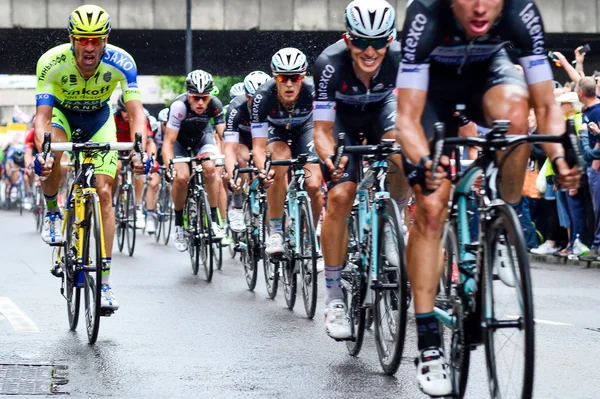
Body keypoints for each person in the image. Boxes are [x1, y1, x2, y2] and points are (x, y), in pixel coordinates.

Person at [395, 1, 581, 396]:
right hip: (432, 95)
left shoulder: (521, 12)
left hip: (487, 78)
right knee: (429, 206)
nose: (480, 7)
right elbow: (407, 119)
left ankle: (501, 222)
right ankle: (429, 346)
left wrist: (560, 156)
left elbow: (547, 105)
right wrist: (426, 162)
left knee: (516, 116)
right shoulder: (424, 15)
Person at [33, 5, 149, 311]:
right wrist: (43, 152)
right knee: (53, 152)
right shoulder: (51, 63)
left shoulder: (122, 62)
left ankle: (106, 283)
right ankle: (54, 214)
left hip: (99, 119)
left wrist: (140, 150)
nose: (89, 47)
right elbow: (42, 117)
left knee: (104, 192)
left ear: (106, 40)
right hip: (62, 117)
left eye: (96, 39)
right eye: (82, 39)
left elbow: (137, 113)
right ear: (71, 38)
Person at [313, 0, 409, 340]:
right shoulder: (328, 64)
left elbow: (413, 115)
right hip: (342, 122)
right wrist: (331, 156)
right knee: (341, 194)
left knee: (401, 149)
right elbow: (322, 130)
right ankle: (335, 298)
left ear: (391, 39)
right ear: (348, 39)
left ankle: (393, 220)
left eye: (380, 42)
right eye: (362, 42)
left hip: (382, 110)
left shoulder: (401, 58)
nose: (370, 51)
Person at [251, 48, 323, 257]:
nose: (289, 84)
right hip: (276, 132)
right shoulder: (262, 96)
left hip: (306, 128)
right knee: (279, 163)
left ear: (304, 76)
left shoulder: (314, 91)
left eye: (296, 77)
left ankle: (311, 233)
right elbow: (257, 145)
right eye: (283, 78)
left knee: (313, 184)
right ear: (275, 77)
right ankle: (275, 230)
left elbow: (326, 129)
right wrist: (263, 169)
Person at [162, 69, 226, 252]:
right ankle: (179, 224)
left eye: (204, 98)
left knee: (210, 169)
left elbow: (224, 136)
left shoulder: (215, 104)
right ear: (188, 96)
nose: (200, 102)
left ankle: (214, 221)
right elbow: (168, 143)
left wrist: (227, 160)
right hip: (180, 142)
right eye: (195, 97)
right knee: (181, 178)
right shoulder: (178, 106)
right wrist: (169, 167)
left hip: (202, 138)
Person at [224, 71, 270, 233]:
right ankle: (237, 202)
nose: (256, 103)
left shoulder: (273, 104)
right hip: (243, 139)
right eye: (251, 98)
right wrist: (232, 176)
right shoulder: (236, 107)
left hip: (265, 137)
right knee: (242, 159)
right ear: (246, 96)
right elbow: (229, 148)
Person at [113, 93, 153, 230]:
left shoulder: (142, 117)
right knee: (116, 167)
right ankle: (113, 203)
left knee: (139, 169)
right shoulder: (113, 117)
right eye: (123, 110)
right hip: (116, 147)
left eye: (128, 109)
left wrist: (145, 156)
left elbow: (148, 141)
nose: (126, 113)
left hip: (132, 147)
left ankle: (137, 207)